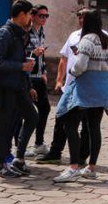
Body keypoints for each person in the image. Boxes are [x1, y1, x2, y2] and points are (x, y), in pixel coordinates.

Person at [52, 9, 108, 183]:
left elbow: (80, 66)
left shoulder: (86, 40)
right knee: (94, 127)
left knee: (70, 125)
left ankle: (74, 166)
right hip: (102, 86)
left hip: (85, 87)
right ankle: (92, 167)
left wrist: (72, 71)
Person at [0, 0, 38, 178]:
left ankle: (18, 158)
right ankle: (0, 163)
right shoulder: (5, 33)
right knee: (4, 124)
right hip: (5, 86)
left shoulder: (19, 34)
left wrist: (29, 83)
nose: (32, 18)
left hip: (19, 86)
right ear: (22, 14)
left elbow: (21, 60)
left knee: (32, 117)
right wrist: (20, 66)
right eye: (30, 14)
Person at [36, 9, 90, 165]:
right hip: (69, 87)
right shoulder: (74, 35)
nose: (81, 18)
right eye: (79, 15)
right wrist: (59, 80)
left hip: (87, 88)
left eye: (84, 16)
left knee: (86, 125)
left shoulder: (101, 37)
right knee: (61, 119)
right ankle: (55, 152)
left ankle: (81, 157)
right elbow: (64, 58)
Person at [22, 5, 51, 158]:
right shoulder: (26, 32)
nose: (44, 19)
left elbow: (42, 54)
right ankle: (20, 145)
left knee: (45, 109)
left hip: (39, 76)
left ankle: (39, 143)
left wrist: (44, 70)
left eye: (46, 16)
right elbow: (20, 52)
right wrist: (33, 52)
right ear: (32, 16)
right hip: (28, 77)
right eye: (41, 16)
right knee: (24, 113)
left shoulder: (41, 32)